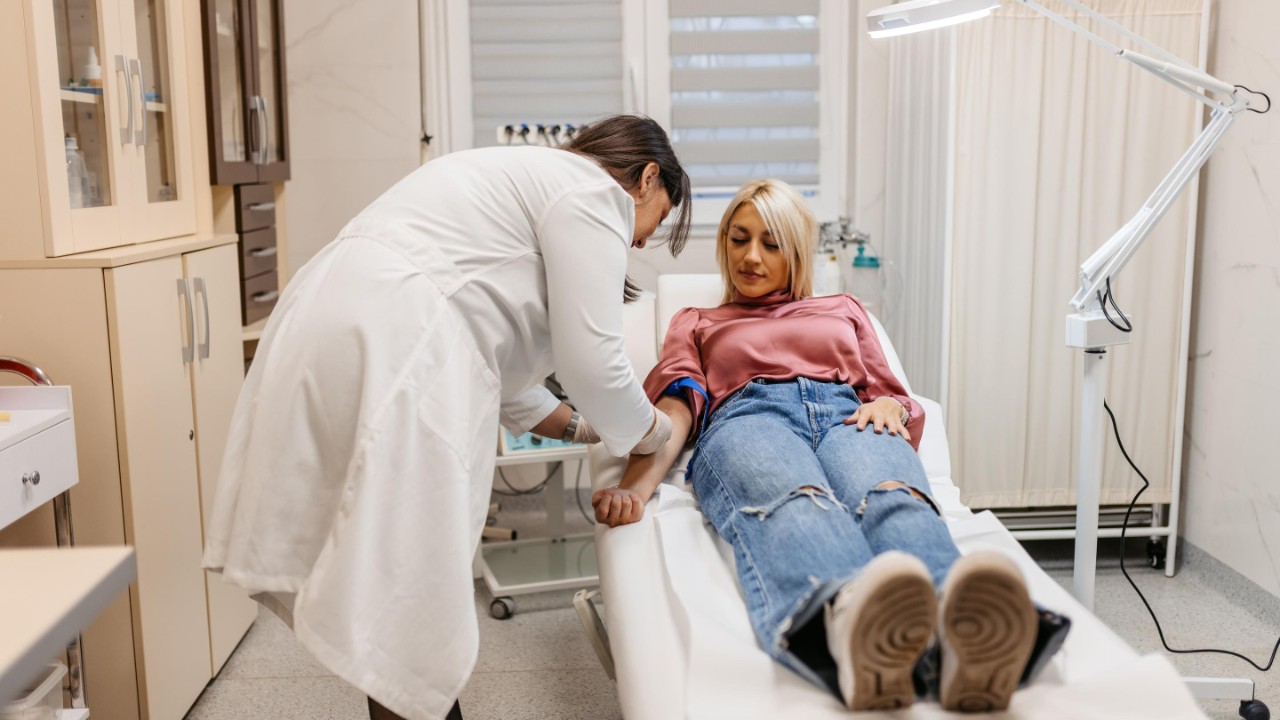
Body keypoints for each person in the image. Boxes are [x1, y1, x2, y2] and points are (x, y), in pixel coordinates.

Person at [203, 115, 691, 720]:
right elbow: (594, 364)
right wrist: (655, 433)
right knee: (411, 589)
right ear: (645, 179)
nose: (642, 241)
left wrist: (584, 428)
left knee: (390, 588)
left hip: (332, 319)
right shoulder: (594, 193)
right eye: (660, 219)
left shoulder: (521, 183)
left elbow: (505, 374)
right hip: (398, 340)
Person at [592, 179, 1049, 713]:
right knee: (795, 502)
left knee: (891, 494)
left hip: (846, 413)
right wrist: (637, 484)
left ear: (797, 251)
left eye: (771, 243)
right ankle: (849, 620)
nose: (751, 257)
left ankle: (966, 626)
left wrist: (890, 408)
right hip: (749, 415)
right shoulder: (698, 321)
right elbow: (677, 402)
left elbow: (887, 390)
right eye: (738, 240)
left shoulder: (843, 309)